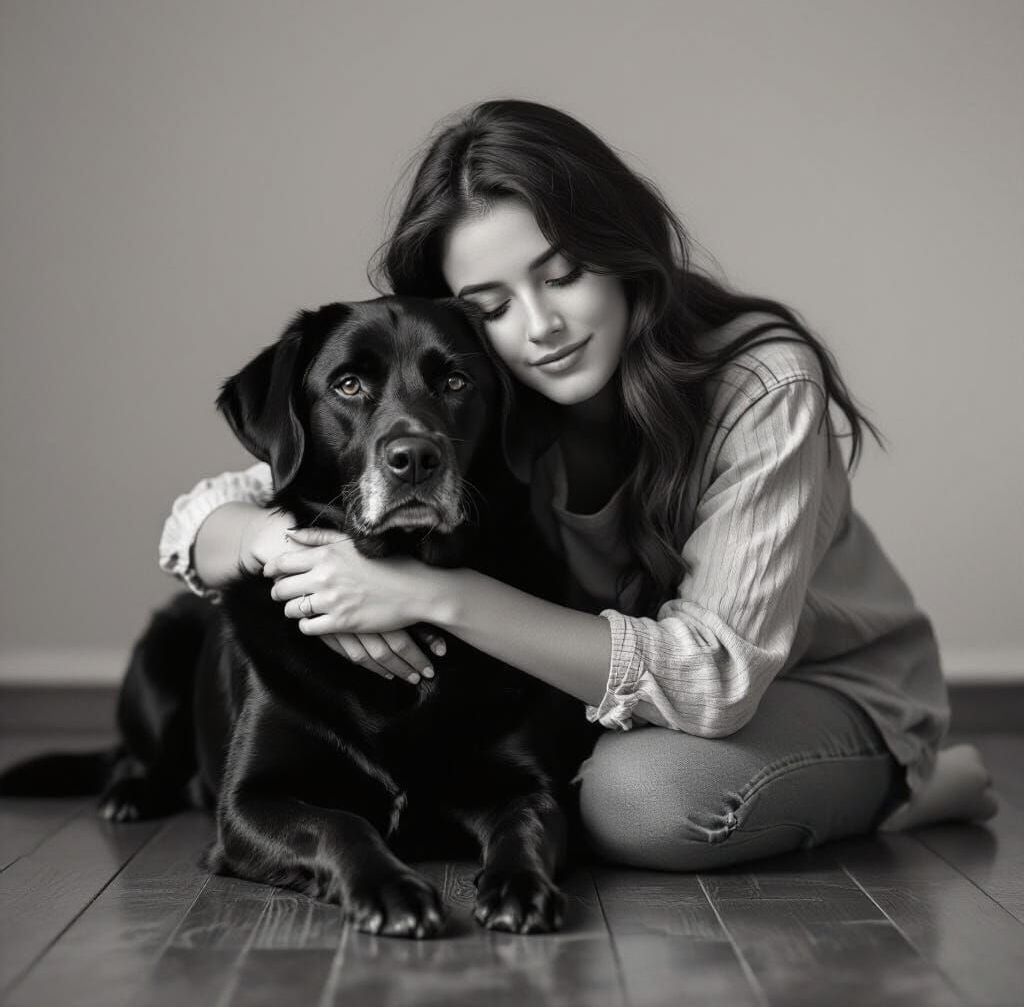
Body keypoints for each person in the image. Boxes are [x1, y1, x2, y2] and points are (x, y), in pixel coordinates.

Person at [159, 99, 996, 870]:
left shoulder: (761, 385)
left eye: (561, 275)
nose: (541, 326)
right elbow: (208, 515)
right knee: (560, 781)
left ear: (622, 249)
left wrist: (424, 593)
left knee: (639, 803)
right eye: (488, 307)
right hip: (616, 696)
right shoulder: (485, 387)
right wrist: (279, 543)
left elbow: (714, 681)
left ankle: (907, 789)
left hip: (809, 686)